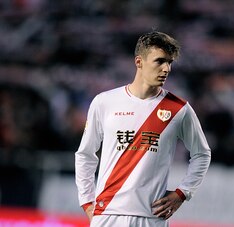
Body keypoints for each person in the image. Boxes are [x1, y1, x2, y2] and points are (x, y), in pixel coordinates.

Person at [75, 31, 211, 227]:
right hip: (108, 214)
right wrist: (87, 202)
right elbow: (85, 155)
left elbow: (202, 154)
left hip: (152, 217)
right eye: (159, 61)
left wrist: (182, 193)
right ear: (139, 62)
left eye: (169, 63)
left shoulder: (179, 109)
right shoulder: (105, 102)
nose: (166, 69)